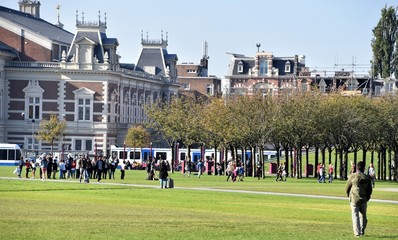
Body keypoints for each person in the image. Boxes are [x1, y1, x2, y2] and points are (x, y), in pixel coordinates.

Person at [345, 161, 373, 237]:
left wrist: (349, 196)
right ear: (364, 168)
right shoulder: (367, 178)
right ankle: (362, 231)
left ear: (357, 168)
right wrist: (367, 197)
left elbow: (347, 187)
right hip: (364, 199)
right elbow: (370, 190)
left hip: (354, 198)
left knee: (355, 216)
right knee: (363, 216)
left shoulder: (352, 176)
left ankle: (357, 233)